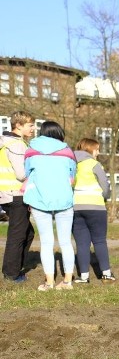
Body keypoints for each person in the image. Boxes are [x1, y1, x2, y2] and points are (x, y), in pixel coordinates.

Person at [23, 121, 77, 291]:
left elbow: (27, 172)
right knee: (66, 242)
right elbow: (72, 175)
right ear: (59, 133)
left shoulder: (31, 150)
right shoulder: (68, 151)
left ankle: (49, 282)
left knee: (46, 242)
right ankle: (67, 282)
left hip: (39, 199)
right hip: (64, 200)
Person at [71, 138, 115, 283]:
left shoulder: (73, 165)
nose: (98, 152)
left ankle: (83, 277)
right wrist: (105, 197)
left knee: (82, 244)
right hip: (96, 208)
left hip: (77, 208)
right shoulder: (95, 164)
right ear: (90, 150)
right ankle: (106, 274)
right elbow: (105, 186)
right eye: (97, 149)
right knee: (99, 241)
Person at [1, 110, 36, 283]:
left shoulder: (4, 142)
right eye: (30, 125)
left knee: (28, 233)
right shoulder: (17, 144)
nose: (33, 128)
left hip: (7, 194)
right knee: (18, 235)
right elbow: (22, 174)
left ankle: (13, 269)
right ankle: (11, 274)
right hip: (17, 195)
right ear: (18, 125)